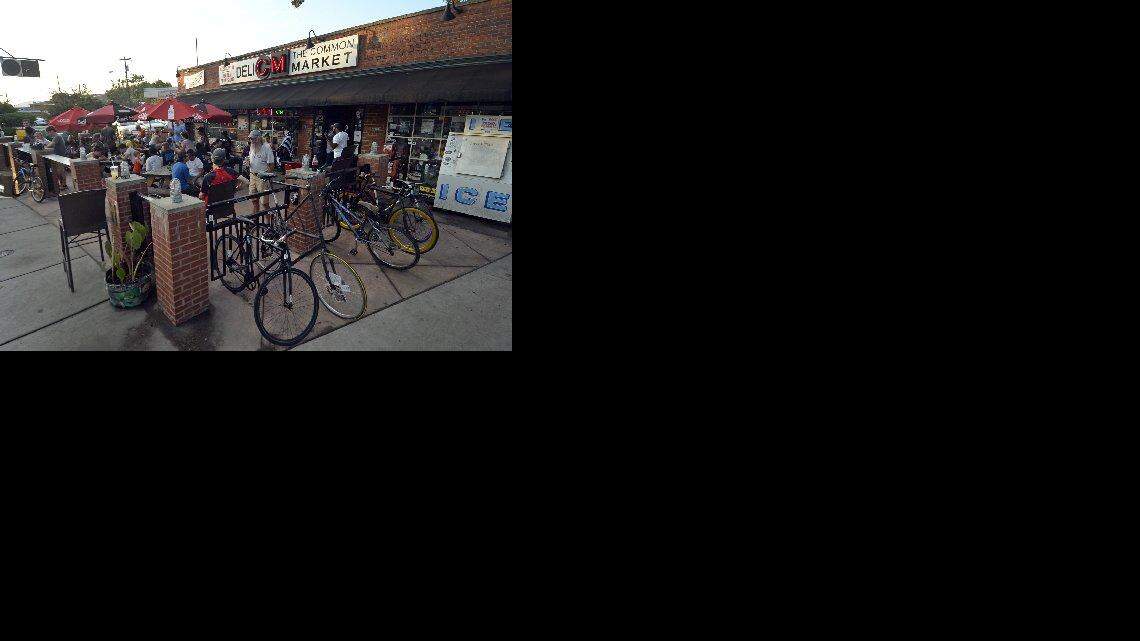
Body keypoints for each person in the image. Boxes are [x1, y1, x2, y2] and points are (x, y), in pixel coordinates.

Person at [244, 130, 275, 213]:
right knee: (254, 200)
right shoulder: (252, 146)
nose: (251, 141)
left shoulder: (266, 147)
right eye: (250, 139)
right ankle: (255, 221)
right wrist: (248, 163)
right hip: (252, 176)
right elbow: (251, 160)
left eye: (253, 139)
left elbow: (271, 165)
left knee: (264, 203)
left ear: (259, 138)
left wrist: (266, 177)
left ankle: (268, 223)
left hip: (262, 178)